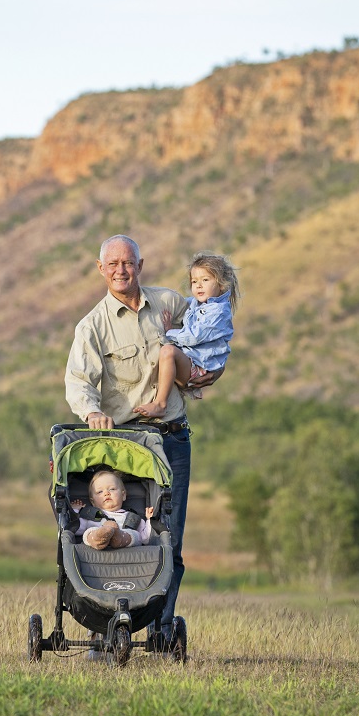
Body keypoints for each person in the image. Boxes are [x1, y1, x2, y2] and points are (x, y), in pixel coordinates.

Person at [64, 234, 221, 638]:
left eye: (128, 263)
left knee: (171, 540)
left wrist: (212, 372)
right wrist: (93, 411)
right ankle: (109, 629)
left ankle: (163, 630)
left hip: (172, 438)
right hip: (125, 448)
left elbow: (213, 331)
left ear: (140, 264)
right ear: (101, 269)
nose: (121, 270)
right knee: (125, 538)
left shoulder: (169, 304)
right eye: (112, 264)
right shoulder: (92, 326)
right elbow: (79, 380)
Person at [132, 252, 239, 419]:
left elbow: (194, 336)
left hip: (199, 367)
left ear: (221, 284)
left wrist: (169, 332)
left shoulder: (217, 312)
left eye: (205, 280)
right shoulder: (197, 303)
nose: (198, 286)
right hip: (193, 362)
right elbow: (182, 303)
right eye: (194, 281)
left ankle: (160, 404)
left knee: (168, 351)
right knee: (167, 352)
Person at [69, 469, 155, 549]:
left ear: (123, 495)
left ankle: (119, 537)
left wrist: (149, 520)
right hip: (95, 547)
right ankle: (98, 537)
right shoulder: (90, 515)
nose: (106, 493)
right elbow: (76, 530)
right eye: (100, 492)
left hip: (125, 546)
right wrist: (76, 510)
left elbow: (145, 538)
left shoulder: (132, 517)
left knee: (135, 535)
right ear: (93, 502)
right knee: (89, 532)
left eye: (112, 489)